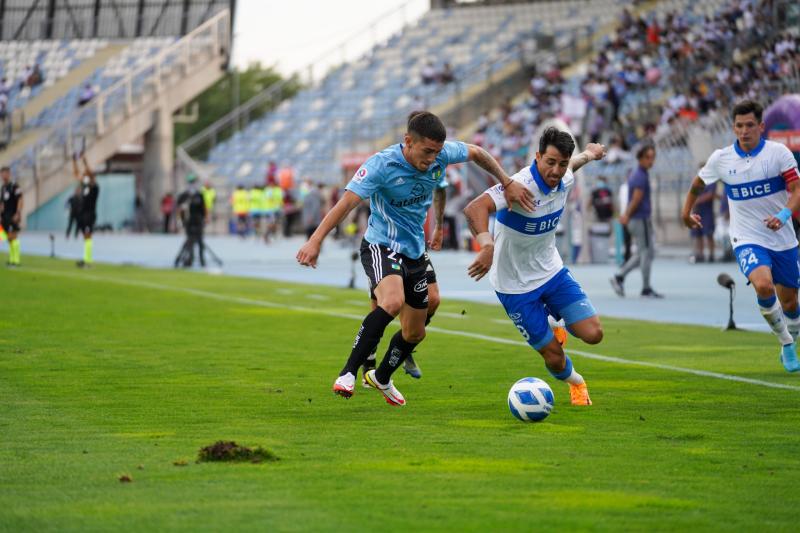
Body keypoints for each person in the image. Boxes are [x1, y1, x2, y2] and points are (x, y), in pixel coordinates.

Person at [297, 110, 533, 406]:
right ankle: (348, 373)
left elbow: (477, 152)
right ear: (408, 141)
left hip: (414, 251)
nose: (433, 158)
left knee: (416, 330)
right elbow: (345, 204)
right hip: (380, 244)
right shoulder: (381, 165)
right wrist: (315, 241)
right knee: (392, 302)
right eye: (427, 151)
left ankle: (381, 377)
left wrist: (506, 181)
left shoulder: (441, 156)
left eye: (437, 152)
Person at [463, 127, 605, 406]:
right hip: (514, 285)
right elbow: (474, 209)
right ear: (538, 157)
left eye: (561, 163)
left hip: (550, 271)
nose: (556, 170)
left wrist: (590, 153)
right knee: (553, 356)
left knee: (593, 334)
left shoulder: (565, 177)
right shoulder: (518, 185)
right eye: (550, 162)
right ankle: (577, 383)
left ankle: (555, 318)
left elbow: (575, 165)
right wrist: (487, 245)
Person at [681, 99, 800, 373]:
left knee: (791, 304)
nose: (744, 131)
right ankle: (786, 342)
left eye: (749, 125)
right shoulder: (721, 159)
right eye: (738, 126)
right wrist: (686, 213)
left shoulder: (778, 154)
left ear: (761, 126)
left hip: (782, 239)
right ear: (733, 128)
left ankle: (790, 336)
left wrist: (783, 216)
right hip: (747, 237)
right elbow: (698, 184)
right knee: (763, 286)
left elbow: (797, 191)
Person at [609, 145, 663, 298]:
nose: (651, 161)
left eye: (652, 157)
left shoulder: (638, 173)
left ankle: (619, 277)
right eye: (648, 157)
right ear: (640, 158)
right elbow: (637, 198)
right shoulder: (640, 175)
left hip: (637, 219)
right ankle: (645, 287)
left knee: (643, 253)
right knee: (646, 253)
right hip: (640, 219)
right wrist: (626, 214)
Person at [174, 174, 207, 268]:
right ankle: (189, 259)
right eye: (191, 182)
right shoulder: (184, 195)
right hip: (188, 221)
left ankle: (202, 260)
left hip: (198, 220)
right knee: (189, 241)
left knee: (200, 241)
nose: (193, 185)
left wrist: (205, 218)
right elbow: (178, 208)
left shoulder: (199, 195)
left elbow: (204, 208)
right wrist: (180, 219)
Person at [74, 155, 99, 268]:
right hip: (83, 214)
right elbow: (76, 175)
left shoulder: (95, 186)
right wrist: (74, 161)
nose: (84, 175)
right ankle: (86, 259)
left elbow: (91, 174)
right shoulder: (85, 185)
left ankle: (88, 261)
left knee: (88, 236)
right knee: (85, 236)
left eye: (86, 174)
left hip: (90, 214)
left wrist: (84, 161)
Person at [689, 180, 716, 263]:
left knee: (708, 234)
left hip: (707, 212)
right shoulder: (697, 182)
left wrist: (698, 201)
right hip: (697, 211)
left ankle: (711, 255)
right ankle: (700, 255)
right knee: (698, 234)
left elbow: (710, 194)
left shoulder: (711, 182)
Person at [0, 166, 23, 267]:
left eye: (5, 173)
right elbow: (2, 203)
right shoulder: (3, 188)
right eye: (2, 173)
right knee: (7, 238)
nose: (3, 175)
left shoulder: (14, 186)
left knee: (13, 236)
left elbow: (20, 199)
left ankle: (16, 261)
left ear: (9, 174)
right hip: (5, 216)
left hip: (12, 215)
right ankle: (11, 259)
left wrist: (18, 213)